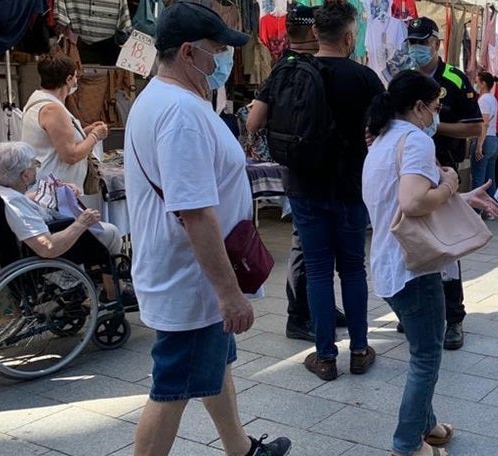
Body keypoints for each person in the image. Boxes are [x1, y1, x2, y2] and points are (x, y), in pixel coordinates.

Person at [124, 3, 291, 455]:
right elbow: (195, 212)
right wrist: (228, 293)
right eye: (218, 49)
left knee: (214, 366)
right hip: (193, 279)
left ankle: (241, 449)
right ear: (187, 53)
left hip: (187, 273)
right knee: (172, 388)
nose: (225, 59)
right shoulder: (181, 113)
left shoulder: (162, 99)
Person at [362, 70, 498, 456]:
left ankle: (429, 427)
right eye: (437, 107)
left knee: (423, 348)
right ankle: (407, 445)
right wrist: (451, 185)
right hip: (415, 267)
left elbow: (401, 199)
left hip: (391, 263)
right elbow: (413, 203)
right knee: (426, 357)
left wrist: (458, 196)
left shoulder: (382, 140)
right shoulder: (415, 141)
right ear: (420, 107)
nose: (437, 115)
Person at [253, 1, 382, 380]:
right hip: (350, 188)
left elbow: (255, 121)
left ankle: (325, 356)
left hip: (305, 186)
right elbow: (385, 130)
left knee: (319, 271)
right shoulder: (364, 78)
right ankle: (359, 350)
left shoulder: (287, 70)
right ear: (348, 36)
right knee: (354, 270)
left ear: (314, 33)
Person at [245, 3, 348, 343]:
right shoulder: (325, 67)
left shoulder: (281, 68)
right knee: (315, 246)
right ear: (314, 31)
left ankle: (313, 309)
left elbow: (252, 122)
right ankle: (300, 316)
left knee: (305, 243)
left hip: (294, 169)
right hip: (330, 169)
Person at [408, 16, 482, 350]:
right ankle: (417, 313)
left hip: (445, 171)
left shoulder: (453, 79)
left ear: (437, 44)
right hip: (410, 171)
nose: (417, 49)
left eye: (423, 43)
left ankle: (454, 318)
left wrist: (437, 129)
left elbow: (474, 127)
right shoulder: (405, 77)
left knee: (447, 246)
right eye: (412, 43)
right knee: (414, 244)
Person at [0, 141, 125, 302]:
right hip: (42, 254)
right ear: (25, 175)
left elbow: (19, 202)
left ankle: (80, 289)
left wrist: (49, 192)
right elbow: (47, 248)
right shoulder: (14, 203)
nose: (36, 169)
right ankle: (114, 293)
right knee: (111, 233)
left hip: (16, 252)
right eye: (34, 166)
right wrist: (81, 223)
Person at [20, 53, 109, 210]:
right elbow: (70, 155)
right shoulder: (53, 109)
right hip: (56, 194)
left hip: (47, 188)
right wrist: (95, 136)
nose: (76, 81)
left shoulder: (37, 102)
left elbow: (55, 139)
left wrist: (85, 132)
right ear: (68, 80)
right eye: (75, 77)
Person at [470, 71, 498, 197]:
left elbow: (484, 123)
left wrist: (479, 145)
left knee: (478, 178)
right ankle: (490, 208)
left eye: (477, 81)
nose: (475, 84)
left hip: (485, 140)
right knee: (489, 178)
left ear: (483, 83)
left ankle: (476, 211)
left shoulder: (483, 100)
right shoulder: (492, 99)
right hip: (493, 139)